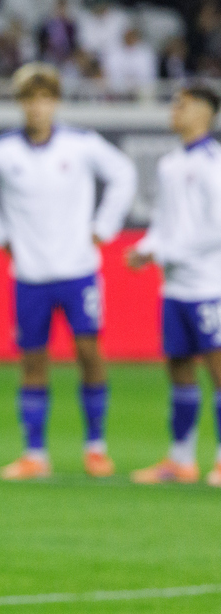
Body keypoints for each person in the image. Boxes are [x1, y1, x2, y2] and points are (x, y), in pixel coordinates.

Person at [0, 63, 137, 480]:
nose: (37, 107)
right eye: (29, 99)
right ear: (20, 104)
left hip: (79, 270)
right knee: (33, 359)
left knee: (90, 352)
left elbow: (123, 174)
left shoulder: (81, 144)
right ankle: (34, 453)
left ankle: (96, 446)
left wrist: (104, 227)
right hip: (30, 274)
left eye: (44, 98)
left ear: (55, 102)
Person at [127, 85, 221, 486]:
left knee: (217, 371)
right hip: (175, 287)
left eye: (182, 104)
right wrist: (147, 248)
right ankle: (181, 460)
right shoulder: (169, 164)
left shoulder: (214, 163)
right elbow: (163, 222)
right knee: (179, 369)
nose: (174, 110)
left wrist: (168, 253)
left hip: (209, 284)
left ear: (205, 111)